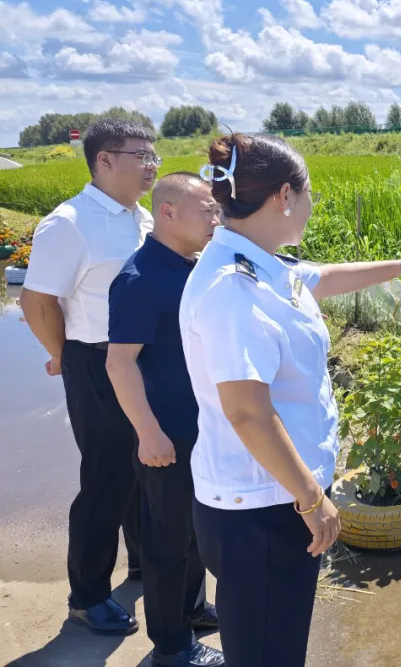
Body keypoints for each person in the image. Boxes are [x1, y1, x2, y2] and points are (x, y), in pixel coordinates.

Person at [180, 132, 401, 667]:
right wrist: (312, 499)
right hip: (264, 507)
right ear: (285, 196)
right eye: (309, 192)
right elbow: (247, 412)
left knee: (273, 642)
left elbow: (323, 278)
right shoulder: (233, 290)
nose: (312, 204)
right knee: (268, 651)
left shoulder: (262, 264)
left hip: (276, 495)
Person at [20, 118, 159, 635]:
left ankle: (143, 561)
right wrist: (65, 356)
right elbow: (36, 300)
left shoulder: (142, 217)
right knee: (106, 478)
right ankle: (89, 595)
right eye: (141, 156)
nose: (151, 166)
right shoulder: (70, 223)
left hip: (142, 360)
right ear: (104, 160)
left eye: (154, 156)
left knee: (147, 465)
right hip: (96, 362)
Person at [106, 173, 224, 667]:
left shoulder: (190, 266)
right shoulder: (140, 279)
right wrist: (148, 432)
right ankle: (172, 645)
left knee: (196, 532)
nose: (216, 218)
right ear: (169, 212)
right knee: (168, 540)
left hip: (200, 428)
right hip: (168, 434)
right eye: (207, 209)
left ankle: (191, 610)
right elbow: (120, 362)